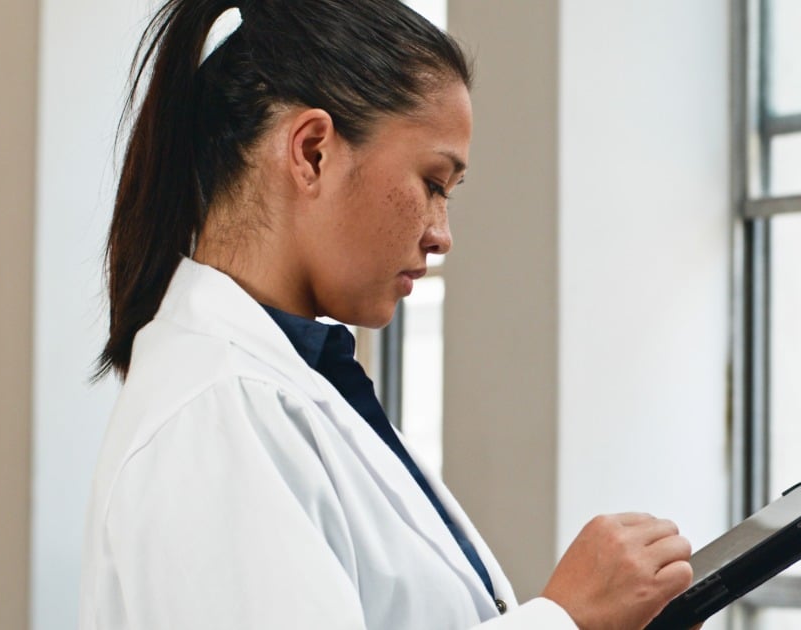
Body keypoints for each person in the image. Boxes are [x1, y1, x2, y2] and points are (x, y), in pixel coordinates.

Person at [79, 1, 696, 628]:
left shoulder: (284, 386)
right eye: (433, 183)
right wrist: (567, 618)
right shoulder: (215, 412)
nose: (441, 235)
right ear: (312, 152)